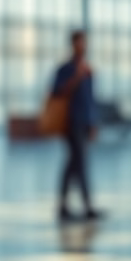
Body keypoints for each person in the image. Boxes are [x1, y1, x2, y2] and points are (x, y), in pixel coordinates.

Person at [51, 30, 102, 221]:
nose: (83, 46)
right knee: (79, 164)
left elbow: (91, 99)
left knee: (73, 164)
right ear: (73, 44)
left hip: (85, 122)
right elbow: (56, 93)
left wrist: (94, 123)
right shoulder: (65, 69)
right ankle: (86, 206)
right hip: (70, 123)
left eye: (85, 42)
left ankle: (64, 206)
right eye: (80, 42)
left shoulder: (88, 70)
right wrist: (76, 79)